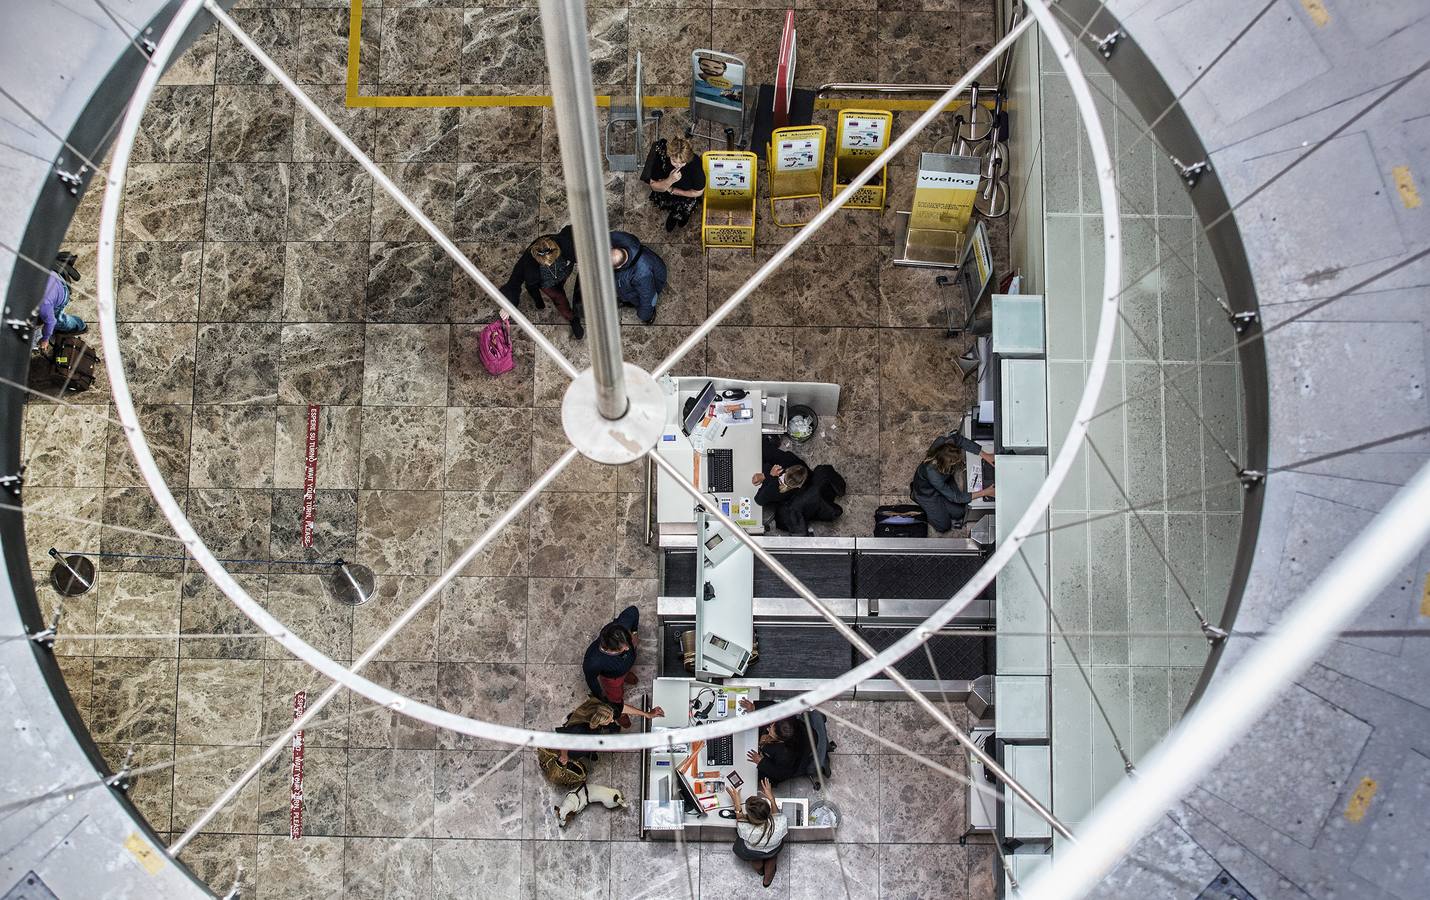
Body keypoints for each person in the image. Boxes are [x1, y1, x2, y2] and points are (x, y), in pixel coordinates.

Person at [499, 226, 585, 339]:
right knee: (559, 299)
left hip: (564, 271)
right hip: (547, 284)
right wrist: (508, 303)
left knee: (564, 286)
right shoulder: (528, 263)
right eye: (545, 264)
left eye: (552, 261)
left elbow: (575, 232)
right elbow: (514, 281)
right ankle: (573, 319)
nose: (549, 265)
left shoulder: (566, 244)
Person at [909, 431, 995, 532]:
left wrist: (985, 455)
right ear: (943, 465)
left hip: (944, 484)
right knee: (943, 526)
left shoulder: (944, 442)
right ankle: (915, 494)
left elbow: (960, 440)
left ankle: (941, 504)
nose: (958, 463)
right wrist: (986, 492)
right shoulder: (933, 474)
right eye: (954, 463)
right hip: (927, 494)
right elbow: (955, 497)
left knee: (960, 512)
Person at [583, 605, 643, 726]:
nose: (628, 647)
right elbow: (591, 680)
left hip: (624, 666)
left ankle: (625, 674)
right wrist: (602, 698)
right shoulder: (593, 661)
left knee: (625, 667)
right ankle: (619, 713)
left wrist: (634, 632)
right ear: (608, 649)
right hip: (612, 678)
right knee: (615, 697)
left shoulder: (621, 626)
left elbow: (633, 610)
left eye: (627, 643)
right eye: (623, 648)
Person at [726, 778, 787, 888]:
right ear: (768, 811)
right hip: (773, 848)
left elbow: (739, 820)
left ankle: (760, 871)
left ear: (750, 817)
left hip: (753, 851)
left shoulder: (744, 828)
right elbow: (777, 815)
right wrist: (771, 798)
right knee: (771, 860)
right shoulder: (781, 822)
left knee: (756, 862)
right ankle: (767, 881)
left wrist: (737, 804)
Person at [739, 698, 814, 786]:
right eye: (772, 726)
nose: (768, 728)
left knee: (747, 772)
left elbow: (782, 774)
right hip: (801, 730)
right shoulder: (785, 716)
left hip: (788, 760)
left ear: (780, 740)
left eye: (771, 733)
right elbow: (774, 706)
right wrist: (755, 707)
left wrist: (762, 762)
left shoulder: (786, 753)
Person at [645, 137, 705, 232]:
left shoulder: (695, 165)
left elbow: (698, 192)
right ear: (669, 154)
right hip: (665, 191)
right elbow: (654, 186)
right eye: (674, 161)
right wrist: (670, 180)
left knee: (684, 212)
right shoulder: (661, 156)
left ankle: (682, 216)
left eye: (682, 163)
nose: (678, 165)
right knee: (671, 206)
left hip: (685, 195)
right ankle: (673, 216)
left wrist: (673, 190)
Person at [609, 231, 666, 324]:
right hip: (649, 265)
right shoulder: (626, 240)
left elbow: (648, 298)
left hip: (654, 280)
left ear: (618, 267)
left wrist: (645, 316)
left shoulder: (642, 275)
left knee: (634, 296)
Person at [772, 464, 846, 535]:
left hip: (805, 509)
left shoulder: (792, 507)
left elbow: (800, 533)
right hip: (824, 495)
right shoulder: (822, 470)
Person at [36, 252, 86, 353]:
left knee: (58, 321)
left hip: (62, 293)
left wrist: (45, 339)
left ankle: (80, 326)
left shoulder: (43, 304)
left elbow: (50, 322)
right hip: (55, 276)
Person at [751, 435, 808, 510]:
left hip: (767, 488)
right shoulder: (793, 463)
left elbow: (758, 500)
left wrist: (767, 476)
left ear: (787, 470)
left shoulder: (775, 489)